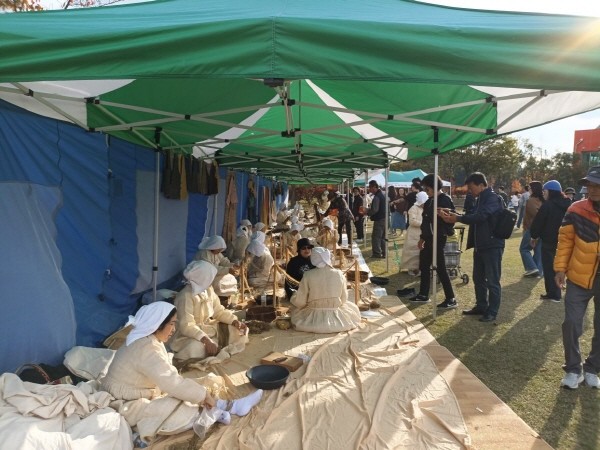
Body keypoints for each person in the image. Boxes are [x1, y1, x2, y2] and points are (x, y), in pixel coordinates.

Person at [101, 301, 262, 444]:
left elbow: (169, 376)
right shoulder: (145, 349)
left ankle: (230, 405)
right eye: (171, 324)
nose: (173, 329)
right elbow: (171, 382)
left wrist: (200, 394)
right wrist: (203, 397)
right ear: (157, 325)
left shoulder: (149, 340)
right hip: (126, 403)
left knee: (199, 384)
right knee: (176, 408)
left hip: (145, 393)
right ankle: (215, 413)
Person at [555, 165, 600, 389]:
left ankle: (592, 368)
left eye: (597, 185)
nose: (592, 189)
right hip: (578, 277)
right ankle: (573, 369)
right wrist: (560, 269)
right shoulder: (575, 209)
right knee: (571, 323)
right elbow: (565, 242)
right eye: (589, 184)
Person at [439, 172, 504, 322]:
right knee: (478, 278)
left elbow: (481, 216)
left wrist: (458, 218)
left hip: (492, 245)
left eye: (471, 187)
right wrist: (453, 213)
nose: (470, 190)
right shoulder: (480, 199)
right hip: (481, 245)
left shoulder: (492, 198)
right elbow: (472, 215)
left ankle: (492, 311)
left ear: (481, 185)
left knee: (492, 280)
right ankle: (481, 306)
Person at [170, 261, 248, 360]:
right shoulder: (185, 296)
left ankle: (214, 345)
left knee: (237, 330)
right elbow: (187, 326)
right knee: (196, 348)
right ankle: (212, 345)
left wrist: (234, 321)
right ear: (203, 278)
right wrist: (205, 339)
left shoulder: (208, 290)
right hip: (187, 335)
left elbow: (218, 311)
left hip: (207, 328)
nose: (212, 280)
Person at [409, 174, 457, 309]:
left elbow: (450, 220)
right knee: (424, 265)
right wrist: (422, 238)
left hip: (438, 237)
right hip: (428, 237)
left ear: (434, 187)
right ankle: (423, 294)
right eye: (425, 188)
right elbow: (425, 221)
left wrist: (441, 216)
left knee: (440, 267)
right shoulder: (429, 201)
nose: (426, 191)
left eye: (427, 188)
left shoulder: (445, 199)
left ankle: (451, 298)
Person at [290, 247, 361, 333]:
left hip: (314, 316)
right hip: (336, 314)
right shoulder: (339, 273)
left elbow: (301, 302)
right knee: (352, 308)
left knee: (295, 312)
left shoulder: (308, 275)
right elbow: (343, 299)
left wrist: (294, 297)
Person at [530, 180, 570, 303]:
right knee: (562, 267)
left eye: (545, 191)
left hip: (549, 241)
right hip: (566, 241)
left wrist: (534, 236)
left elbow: (538, 223)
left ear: (551, 192)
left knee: (549, 268)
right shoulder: (569, 204)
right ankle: (558, 292)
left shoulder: (547, 205)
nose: (543, 193)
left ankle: (553, 293)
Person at [519, 181, 544, 278]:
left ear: (533, 189)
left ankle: (532, 268)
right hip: (541, 229)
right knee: (538, 250)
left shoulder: (531, 200)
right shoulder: (543, 200)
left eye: (529, 188)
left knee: (524, 249)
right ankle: (538, 271)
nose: (528, 190)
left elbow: (536, 216)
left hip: (532, 228)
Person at [401, 191, 428, 276]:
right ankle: (411, 269)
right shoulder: (413, 208)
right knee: (412, 251)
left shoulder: (426, 209)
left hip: (422, 232)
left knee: (421, 251)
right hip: (413, 233)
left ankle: (420, 268)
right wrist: (424, 224)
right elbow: (412, 221)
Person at [366, 180, 387, 259]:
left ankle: (377, 253)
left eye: (370, 187)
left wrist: (367, 212)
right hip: (385, 218)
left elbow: (375, 209)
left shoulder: (377, 196)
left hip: (379, 219)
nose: (369, 189)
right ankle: (384, 253)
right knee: (382, 237)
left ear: (374, 187)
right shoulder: (383, 194)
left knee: (376, 237)